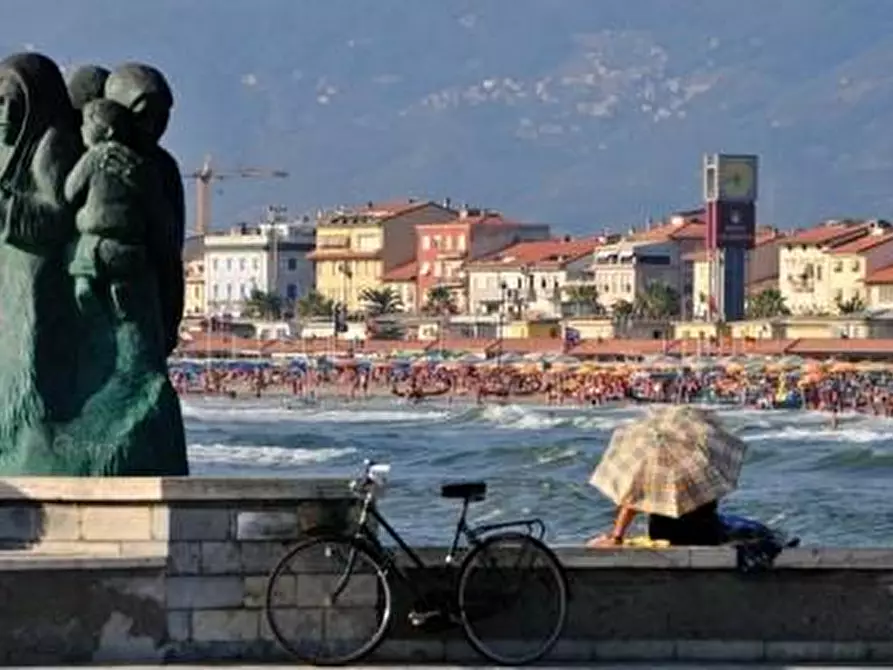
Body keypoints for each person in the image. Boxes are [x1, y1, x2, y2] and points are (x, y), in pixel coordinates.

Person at [64, 98, 160, 318]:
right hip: (130, 247)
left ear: (107, 131)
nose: (82, 129)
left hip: (96, 244)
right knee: (125, 272)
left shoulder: (94, 157)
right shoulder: (135, 162)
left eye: (87, 124)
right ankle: (119, 287)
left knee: (77, 252)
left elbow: (70, 191)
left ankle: (83, 284)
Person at [588, 500, 724, 547]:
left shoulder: (655, 476)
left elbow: (631, 506)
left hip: (665, 536)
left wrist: (616, 538)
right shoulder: (702, 473)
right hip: (705, 535)